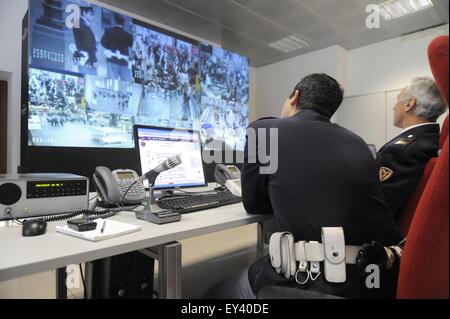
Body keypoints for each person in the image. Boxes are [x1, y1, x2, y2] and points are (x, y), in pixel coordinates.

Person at [204, 73, 402, 299]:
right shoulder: (357, 141)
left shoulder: (264, 130)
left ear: (294, 96)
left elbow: (254, 203)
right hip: (376, 279)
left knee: (211, 292)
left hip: (315, 282)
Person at [376, 77, 446, 219]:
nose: (394, 106)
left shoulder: (399, 152)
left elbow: (379, 209)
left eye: (398, 100)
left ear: (409, 104)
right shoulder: (435, 142)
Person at [101, 13, 133, 81]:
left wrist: (109, 48)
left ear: (114, 22)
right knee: (126, 81)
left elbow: (103, 42)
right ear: (123, 24)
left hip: (112, 60)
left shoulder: (109, 31)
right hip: (123, 62)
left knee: (112, 81)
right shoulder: (127, 35)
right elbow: (132, 45)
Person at [72, 6, 98, 74]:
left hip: (81, 57)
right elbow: (88, 44)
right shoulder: (83, 25)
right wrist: (94, 60)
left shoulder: (79, 23)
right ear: (84, 13)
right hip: (86, 58)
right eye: (91, 14)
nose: (92, 16)